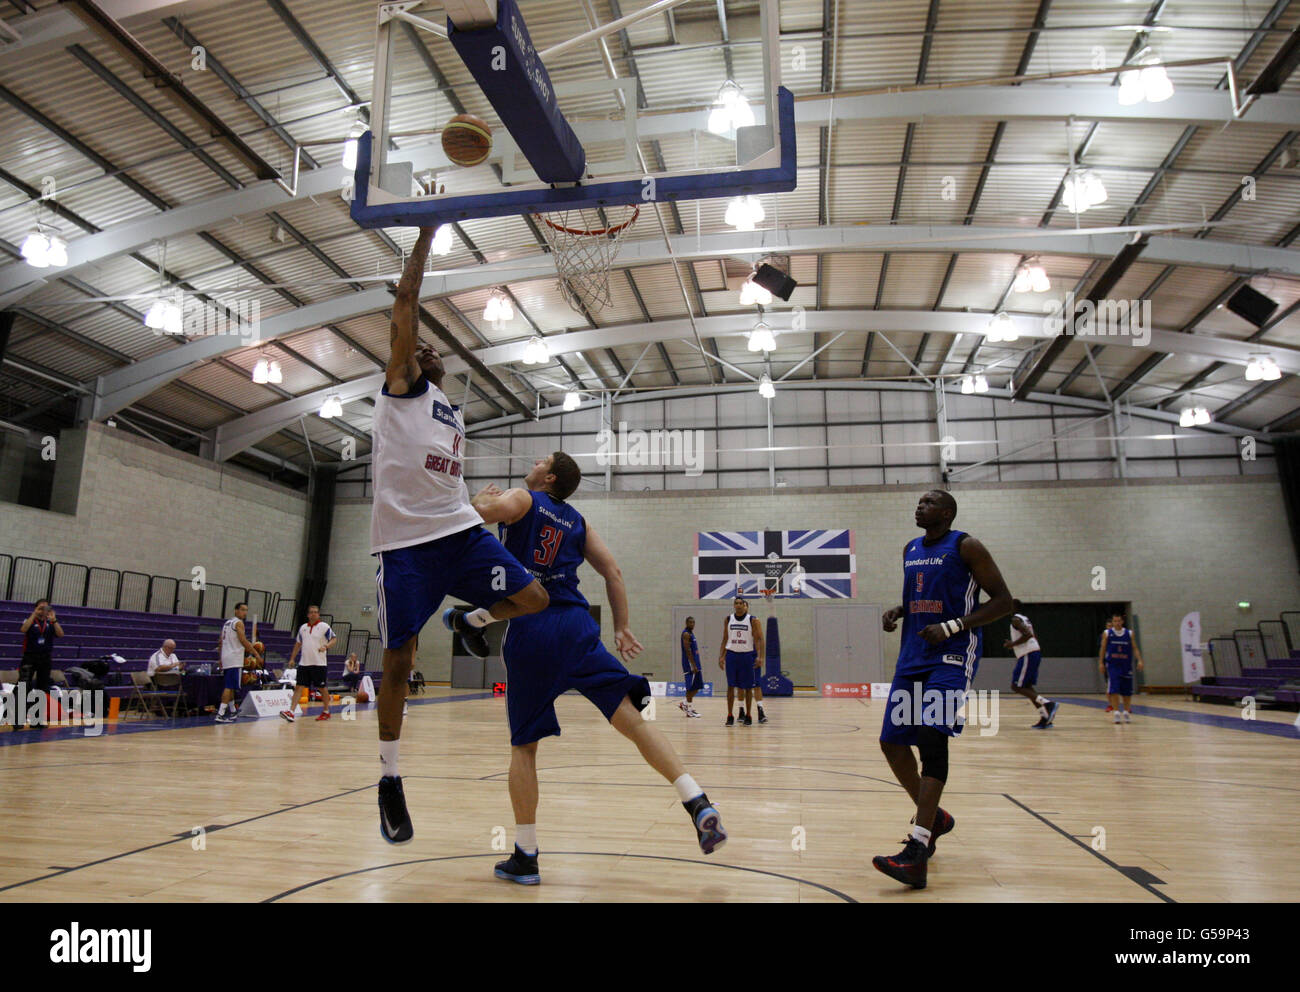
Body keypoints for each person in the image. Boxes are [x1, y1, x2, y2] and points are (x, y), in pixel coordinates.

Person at [470, 453, 726, 884]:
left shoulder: (523, 499)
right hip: (576, 625)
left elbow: (477, 515)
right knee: (631, 720)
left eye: (541, 461)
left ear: (548, 477)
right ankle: (695, 799)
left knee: (524, 746)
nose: (533, 463)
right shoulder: (577, 522)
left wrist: (479, 501)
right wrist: (622, 626)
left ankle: (526, 855)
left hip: (531, 628)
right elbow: (613, 571)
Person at [371, 226, 548, 845]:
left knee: (533, 599)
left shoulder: (449, 409)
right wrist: (424, 234)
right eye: (420, 346)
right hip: (406, 547)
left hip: (462, 532)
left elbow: (440, 471)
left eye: (430, 348)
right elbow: (406, 302)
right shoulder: (399, 389)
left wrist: (472, 504)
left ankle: (468, 622)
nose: (429, 349)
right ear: (408, 357)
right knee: (398, 661)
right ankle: (390, 779)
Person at [874, 490, 1013, 890]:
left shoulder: (966, 545)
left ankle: (918, 849)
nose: (919, 507)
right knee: (893, 743)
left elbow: (1003, 601)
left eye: (928, 502)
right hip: (913, 654)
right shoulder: (911, 548)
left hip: (952, 653)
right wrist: (900, 610)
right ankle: (935, 818)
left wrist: (953, 627)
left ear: (947, 512)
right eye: (918, 503)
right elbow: (920, 597)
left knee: (932, 737)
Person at [1003, 600, 1058, 729]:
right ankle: (1045, 717)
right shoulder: (1025, 618)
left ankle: (1048, 704)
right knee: (1027, 686)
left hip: (1028, 653)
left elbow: (1027, 635)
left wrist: (1012, 644)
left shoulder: (1016, 619)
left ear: (1013, 607)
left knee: (1016, 686)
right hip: (1032, 652)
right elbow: (1032, 636)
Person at [280, 605, 336, 723]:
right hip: (304, 663)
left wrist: (326, 646)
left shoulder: (324, 627)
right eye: (311, 612)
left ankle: (326, 711)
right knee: (299, 687)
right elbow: (298, 644)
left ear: (318, 614)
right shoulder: (303, 628)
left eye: (316, 612)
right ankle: (291, 712)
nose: (314, 614)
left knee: (322, 688)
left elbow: (334, 639)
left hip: (319, 664)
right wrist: (292, 658)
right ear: (308, 615)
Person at [717, 596, 764, 726]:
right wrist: (721, 656)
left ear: (744, 605)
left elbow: (760, 639)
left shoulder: (752, 620)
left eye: (740, 603)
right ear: (734, 605)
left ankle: (748, 714)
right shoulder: (728, 619)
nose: (738, 605)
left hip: (747, 655)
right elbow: (725, 638)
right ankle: (730, 715)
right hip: (732, 655)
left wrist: (760, 656)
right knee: (731, 686)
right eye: (736, 603)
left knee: (748, 688)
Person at [18, 600, 63, 727]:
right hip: (30, 657)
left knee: (42, 689)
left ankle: (36, 720)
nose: (43, 611)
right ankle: (18, 719)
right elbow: (23, 629)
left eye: (46, 608)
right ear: (36, 608)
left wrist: (54, 620)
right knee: (23, 687)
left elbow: (60, 634)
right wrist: (34, 614)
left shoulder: (50, 623)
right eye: (40, 608)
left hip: (45, 658)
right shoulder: (30, 620)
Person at [216, 602, 260, 723]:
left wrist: (220, 658)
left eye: (246, 610)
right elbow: (243, 640)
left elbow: (220, 642)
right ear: (236, 611)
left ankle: (232, 711)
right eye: (242, 610)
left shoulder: (227, 623)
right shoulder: (238, 623)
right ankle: (220, 713)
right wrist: (255, 653)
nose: (244, 612)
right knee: (229, 687)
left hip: (226, 657)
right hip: (234, 658)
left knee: (231, 686)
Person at [1100, 613, 1144, 724]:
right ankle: (1116, 712)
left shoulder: (1129, 633)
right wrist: (1101, 662)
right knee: (1114, 689)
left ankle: (1126, 711)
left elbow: (1135, 648)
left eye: (1119, 621)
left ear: (1122, 621)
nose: (1117, 623)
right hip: (1113, 665)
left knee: (1127, 691)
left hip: (1126, 664)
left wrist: (1139, 660)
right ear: (1112, 622)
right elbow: (1103, 648)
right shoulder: (1107, 633)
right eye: (1115, 621)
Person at [678, 616, 702, 717]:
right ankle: (689, 710)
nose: (692, 624)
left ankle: (684, 703)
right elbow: (688, 651)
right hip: (690, 665)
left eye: (693, 622)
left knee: (697, 686)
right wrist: (693, 665)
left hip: (696, 663)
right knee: (691, 688)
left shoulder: (691, 634)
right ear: (686, 623)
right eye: (690, 622)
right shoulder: (686, 634)